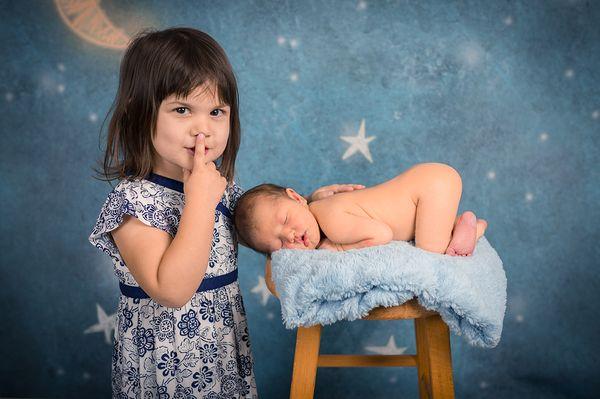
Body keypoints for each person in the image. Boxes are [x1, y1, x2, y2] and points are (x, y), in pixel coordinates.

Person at [88, 27, 362, 398]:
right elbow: (171, 290)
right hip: (165, 374)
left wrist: (311, 209)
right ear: (140, 112)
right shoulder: (134, 204)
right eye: (182, 110)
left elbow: (265, 229)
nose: (203, 129)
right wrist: (199, 201)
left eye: (216, 111)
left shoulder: (221, 188)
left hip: (223, 362)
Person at [234, 163, 489, 256]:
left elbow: (382, 235)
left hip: (428, 189)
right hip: (427, 184)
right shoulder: (319, 206)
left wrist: (341, 249)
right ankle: (461, 225)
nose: (289, 234)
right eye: (278, 244)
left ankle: (473, 232)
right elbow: (307, 210)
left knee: (432, 252)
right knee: (433, 232)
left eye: (286, 219)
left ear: (297, 198)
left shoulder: (332, 222)